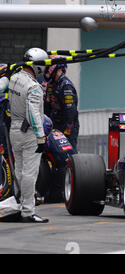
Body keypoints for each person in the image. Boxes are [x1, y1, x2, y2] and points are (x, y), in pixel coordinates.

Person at [8, 47, 49, 223]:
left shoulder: (14, 79)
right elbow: (33, 113)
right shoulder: (34, 87)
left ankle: (19, 205)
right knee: (30, 173)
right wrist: (40, 136)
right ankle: (27, 211)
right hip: (29, 133)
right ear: (38, 66)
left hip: (14, 130)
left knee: (19, 169)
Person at [43, 56, 80, 151]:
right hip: (54, 124)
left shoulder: (66, 86)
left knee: (68, 155)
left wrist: (66, 131)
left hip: (67, 127)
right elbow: (47, 107)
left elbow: (70, 112)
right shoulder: (51, 84)